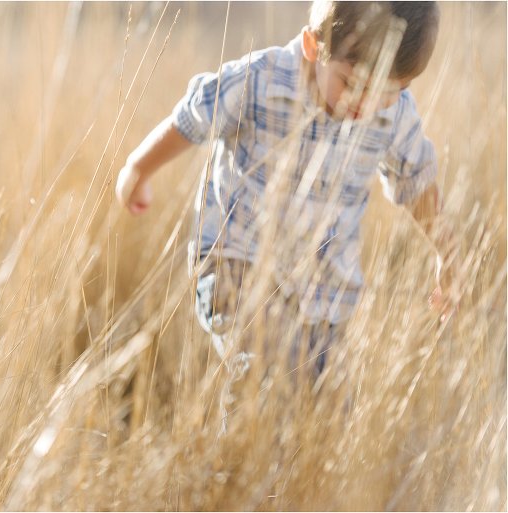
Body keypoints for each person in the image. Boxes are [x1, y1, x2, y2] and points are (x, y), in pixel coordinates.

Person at [115, 1, 454, 426]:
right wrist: (138, 169)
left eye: (385, 93)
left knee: (328, 408)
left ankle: (296, 488)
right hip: (237, 263)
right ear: (315, 47)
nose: (362, 104)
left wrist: (446, 253)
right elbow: (193, 115)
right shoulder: (261, 79)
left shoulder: (395, 117)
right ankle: (234, 470)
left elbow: (416, 181)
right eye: (350, 82)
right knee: (262, 371)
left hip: (325, 291)